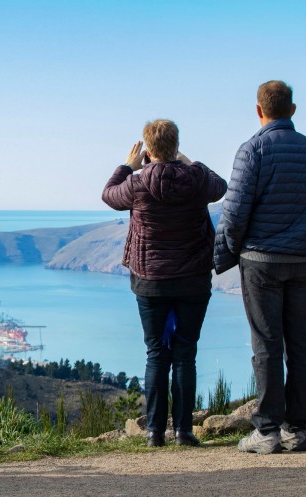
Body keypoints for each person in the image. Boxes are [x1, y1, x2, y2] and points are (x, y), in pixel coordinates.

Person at [214, 80, 306, 454]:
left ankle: (267, 431)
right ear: (293, 110)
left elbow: (234, 214)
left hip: (260, 262)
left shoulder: (252, 150)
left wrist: (236, 250)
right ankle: (297, 430)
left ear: (259, 110)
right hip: (301, 262)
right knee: (299, 340)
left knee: (266, 343)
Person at [102, 119, 227, 447]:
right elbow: (221, 185)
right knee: (185, 353)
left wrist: (126, 167)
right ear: (176, 145)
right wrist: (186, 160)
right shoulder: (197, 180)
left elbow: (108, 195)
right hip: (193, 280)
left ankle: (155, 432)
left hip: (150, 281)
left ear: (147, 149)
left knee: (156, 353)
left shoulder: (137, 183)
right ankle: (184, 431)